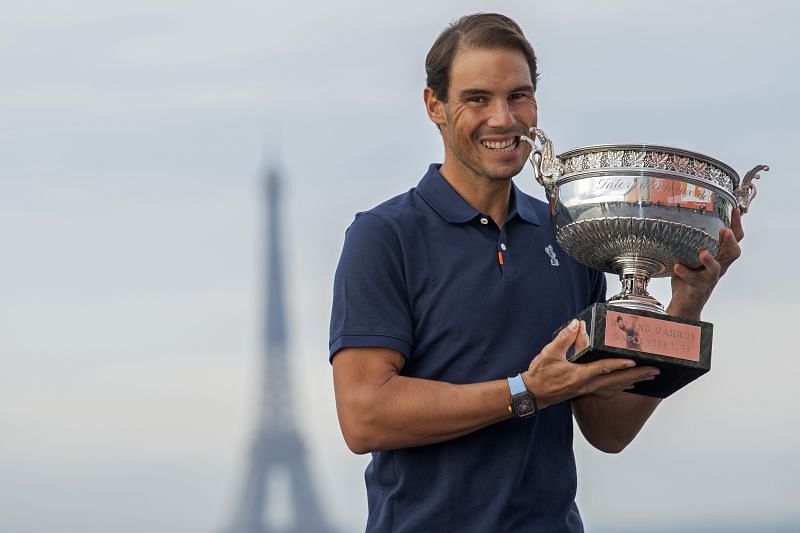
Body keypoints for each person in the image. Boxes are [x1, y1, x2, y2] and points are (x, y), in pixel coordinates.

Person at [329, 13, 743, 532]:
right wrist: (526, 391)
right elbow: (364, 416)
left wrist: (685, 304)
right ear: (434, 105)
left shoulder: (570, 236)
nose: (503, 119)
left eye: (518, 96)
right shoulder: (384, 236)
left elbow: (607, 429)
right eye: (477, 98)